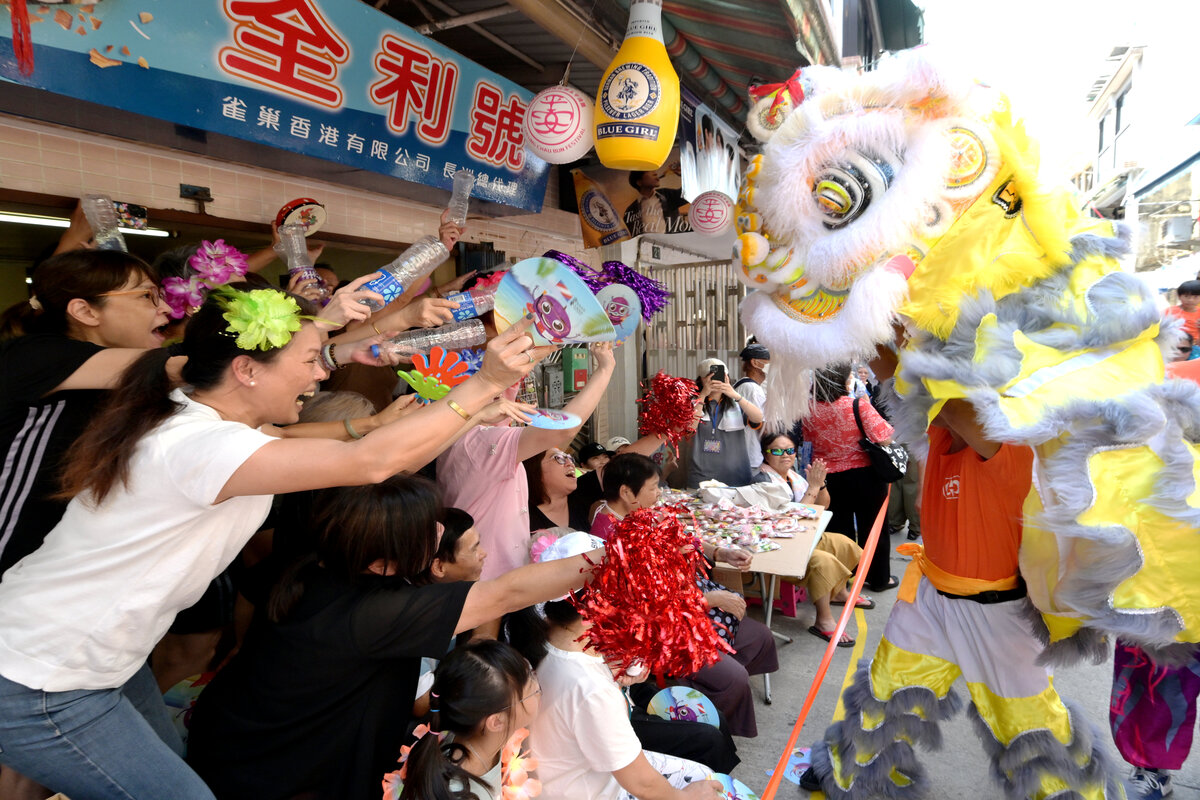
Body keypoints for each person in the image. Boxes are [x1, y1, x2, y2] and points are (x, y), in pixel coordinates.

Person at [0, 283, 549, 799]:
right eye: (309, 362)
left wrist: (474, 409)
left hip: (85, 662)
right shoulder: (201, 447)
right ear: (246, 369)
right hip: (43, 672)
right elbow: (370, 461)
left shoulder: (209, 423)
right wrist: (483, 382)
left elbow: (349, 442)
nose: (319, 377)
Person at [188, 476, 599, 800]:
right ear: (385, 563)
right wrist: (621, 553)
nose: (440, 529)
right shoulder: (371, 614)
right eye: (426, 529)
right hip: (266, 767)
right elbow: (506, 594)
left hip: (236, 732)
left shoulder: (327, 563)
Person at [800, 391, 1122, 800]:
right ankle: (853, 772)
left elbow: (941, 397)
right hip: (931, 598)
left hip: (1000, 615)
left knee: (1029, 722)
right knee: (886, 690)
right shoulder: (939, 433)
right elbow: (904, 384)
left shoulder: (1005, 439)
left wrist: (916, 347)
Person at [509, 532, 724, 800]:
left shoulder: (544, 640)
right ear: (601, 599)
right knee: (709, 782)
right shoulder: (590, 686)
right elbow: (641, 784)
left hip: (565, 780)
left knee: (703, 769)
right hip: (592, 792)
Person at [0, 250, 175, 576]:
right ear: (85, 311)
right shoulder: (35, 353)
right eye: (147, 296)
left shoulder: (115, 367)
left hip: (59, 556)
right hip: (11, 548)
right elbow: (181, 367)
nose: (165, 307)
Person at [592, 454, 777, 738]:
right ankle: (702, 727)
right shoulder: (609, 537)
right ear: (627, 493)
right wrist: (710, 601)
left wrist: (719, 552)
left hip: (686, 605)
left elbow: (684, 541)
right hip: (659, 628)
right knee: (733, 676)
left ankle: (708, 698)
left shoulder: (639, 514)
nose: (659, 494)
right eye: (654, 487)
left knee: (759, 637)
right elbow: (644, 608)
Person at [438, 343, 615, 583]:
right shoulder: (481, 440)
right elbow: (563, 430)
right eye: (498, 382)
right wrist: (604, 369)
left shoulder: (463, 434)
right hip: (487, 578)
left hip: (495, 577)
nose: (512, 387)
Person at [753, 432, 870, 647]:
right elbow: (792, 518)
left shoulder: (794, 475)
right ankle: (823, 620)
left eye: (789, 450)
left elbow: (823, 505)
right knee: (823, 561)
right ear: (765, 455)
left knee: (844, 543)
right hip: (781, 544)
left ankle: (839, 592)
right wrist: (813, 487)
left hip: (801, 534)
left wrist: (821, 485)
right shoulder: (762, 480)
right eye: (777, 451)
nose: (785, 455)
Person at [389, 640, 543, 800]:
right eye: (531, 686)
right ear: (496, 722)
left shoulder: (476, 736)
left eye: (529, 670)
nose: (537, 682)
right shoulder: (457, 793)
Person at [806, 362, 897, 592]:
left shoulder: (808, 409)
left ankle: (841, 580)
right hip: (866, 475)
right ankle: (878, 578)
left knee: (838, 530)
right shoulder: (858, 405)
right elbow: (885, 437)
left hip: (829, 477)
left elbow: (806, 440)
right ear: (844, 381)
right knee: (873, 528)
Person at [686, 358, 764, 488]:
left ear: (727, 377)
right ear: (701, 379)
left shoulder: (737, 403)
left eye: (720, 375)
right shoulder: (693, 402)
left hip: (737, 478)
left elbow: (758, 418)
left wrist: (734, 394)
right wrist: (703, 395)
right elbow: (689, 428)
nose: (715, 380)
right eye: (709, 376)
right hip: (701, 478)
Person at [525, 448, 591, 532]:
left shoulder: (582, 496)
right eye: (559, 458)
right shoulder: (524, 518)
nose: (570, 463)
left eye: (570, 458)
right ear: (535, 469)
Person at [622, 170, 691, 236]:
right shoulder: (631, 210)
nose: (655, 173)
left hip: (673, 245)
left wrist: (683, 174)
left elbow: (691, 191)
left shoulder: (667, 195)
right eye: (649, 171)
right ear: (639, 182)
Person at [734, 341, 770, 469]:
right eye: (769, 361)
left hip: (741, 456)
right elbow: (764, 428)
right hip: (750, 458)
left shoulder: (741, 385)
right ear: (755, 363)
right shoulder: (753, 389)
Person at [1164, 280, 1200, 346]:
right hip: (1173, 344)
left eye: (1196, 297)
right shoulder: (1170, 311)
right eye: (1186, 296)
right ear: (1179, 296)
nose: (1190, 300)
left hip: (1195, 346)